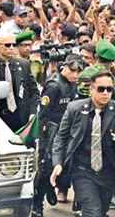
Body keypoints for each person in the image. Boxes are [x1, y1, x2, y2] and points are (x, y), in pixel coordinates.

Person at [51, 71, 115, 217]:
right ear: (91, 89)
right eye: (101, 89)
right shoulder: (74, 109)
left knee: (102, 211)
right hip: (82, 171)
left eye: (109, 89)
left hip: (109, 172)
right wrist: (58, 163)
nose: (105, 93)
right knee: (92, 212)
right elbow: (61, 137)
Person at [31, 54, 83, 216]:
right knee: (46, 168)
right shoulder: (54, 86)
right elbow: (43, 115)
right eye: (73, 70)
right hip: (51, 132)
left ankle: (51, 188)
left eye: (78, 72)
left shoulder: (74, 84)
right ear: (64, 67)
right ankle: (37, 205)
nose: (75, 75)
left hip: (69, 131)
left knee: (68, 168)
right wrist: (44, 139)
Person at [0, 34, 38, 132]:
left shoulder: (24, 64)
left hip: (21, 115)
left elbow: (33, 91)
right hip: (0, 115)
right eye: (7, 45)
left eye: (14, 45)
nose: (11, 48)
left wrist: (32, 112)